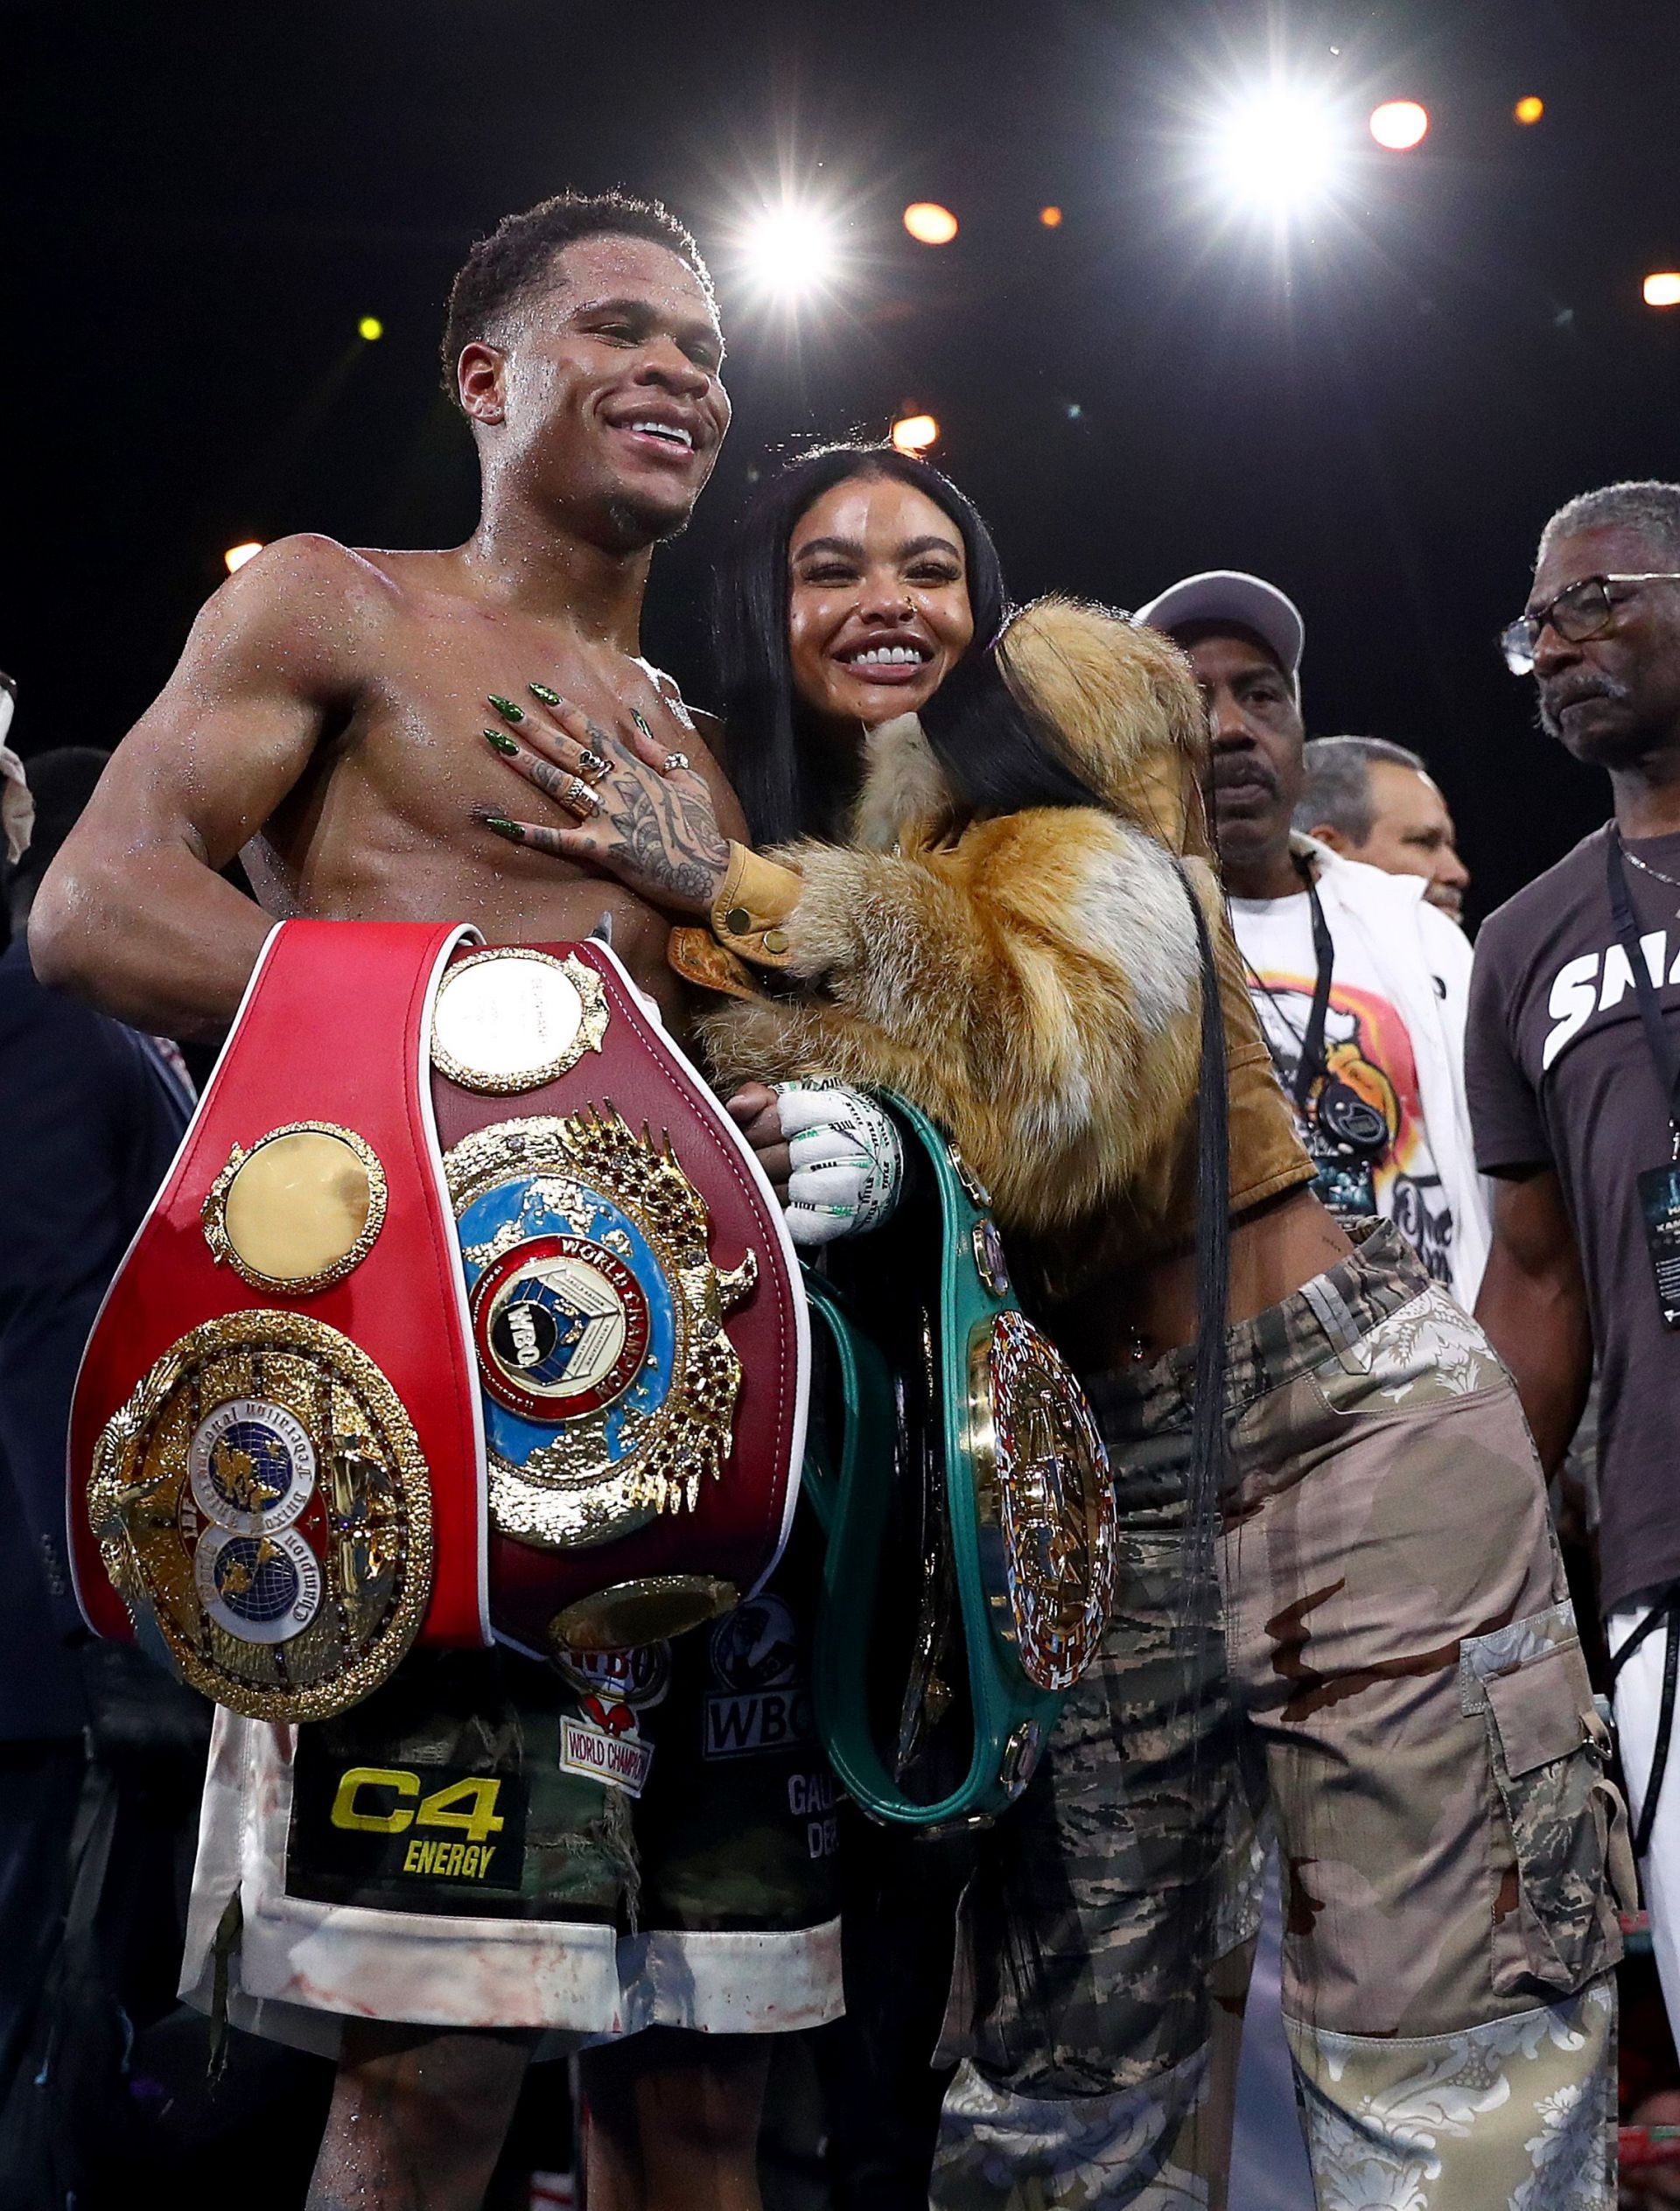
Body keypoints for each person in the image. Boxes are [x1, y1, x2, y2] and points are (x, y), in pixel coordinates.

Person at [482, 443, 1624, 2210]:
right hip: (1079, 1482)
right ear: (758, 611)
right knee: (1067, 2077)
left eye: (930, 566)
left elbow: (1072, 1081)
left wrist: (745, 901)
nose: (886, 601)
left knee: (1443, 2048)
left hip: (1345, 1422)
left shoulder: (1083, 760)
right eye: (833, 567)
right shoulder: (737, 848)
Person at [32, 190, 837, 2211]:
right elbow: (98, 905)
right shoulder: (340, 605)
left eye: (708, 348)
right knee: (432, 2057)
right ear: (487, 377)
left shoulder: (696, 757)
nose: (686, 372)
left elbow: (722, 1080)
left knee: (702, 2084)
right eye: (627, 330)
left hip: (694, 1477)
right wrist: (471, 1030)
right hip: (422, 1440)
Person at [1468, 477, 1680, 2058]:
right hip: (1669, 1548)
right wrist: (1487, 1551)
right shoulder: (1527, 942)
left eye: (1598, 601)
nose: (1557, 645)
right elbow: (1537, 1283)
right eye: (1538, 623)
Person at [1138, 570, 1488, 1307]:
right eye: (1192, 701)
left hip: (1441, 1389)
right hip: (1234, 1390)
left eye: (1262, 694)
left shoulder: (1421, 936)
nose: (1231, 726)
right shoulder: (1114, 949)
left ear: (1300, 735)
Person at [1294, 733, 1470, 922]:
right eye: (1423, 842)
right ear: (1324, 850)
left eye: (1449, 846)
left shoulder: (1452, 947)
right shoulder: (1267, 949)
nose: (1458, 874)